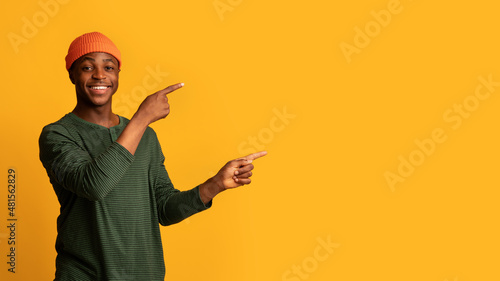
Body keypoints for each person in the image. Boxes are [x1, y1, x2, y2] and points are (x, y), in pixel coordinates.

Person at [38, 31, 267, 280]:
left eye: (109, 66)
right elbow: (94, 185)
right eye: (87, 66)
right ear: (72, 74)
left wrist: (215, 185)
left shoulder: (147, 138)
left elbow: (164, 209)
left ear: (117, 75)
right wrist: (143, 118)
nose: (100, 75)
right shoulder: (57, 135)